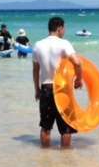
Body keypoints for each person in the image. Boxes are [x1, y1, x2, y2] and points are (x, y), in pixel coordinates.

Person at [33, 17, 82, 148]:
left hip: (46, 88)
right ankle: (65, 161)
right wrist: (79, 80)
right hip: (62, 88)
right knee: (65, 128)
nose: (64, 31)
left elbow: (35, 70)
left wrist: (37, 89)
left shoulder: (38, 45)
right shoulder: (64, 43)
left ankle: (45, 158)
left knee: (45, 127)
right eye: (64, 28)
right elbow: (77, 63)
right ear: (59, 28)